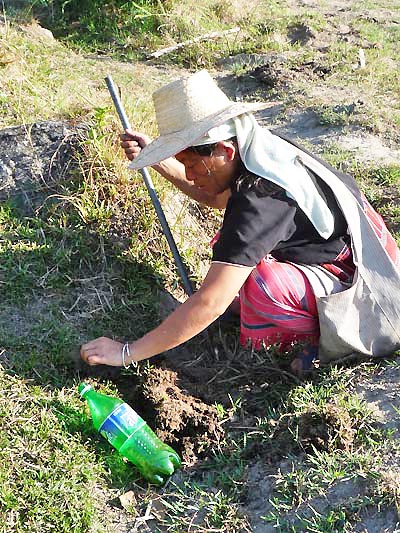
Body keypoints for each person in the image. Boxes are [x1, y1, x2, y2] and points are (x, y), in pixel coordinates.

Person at [80, 69, 400, 375]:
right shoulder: (258, 149)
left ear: (224, 150)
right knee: (233, 258)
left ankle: (326, 342)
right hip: (352, 248)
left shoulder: (262, 197)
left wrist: (126, 353)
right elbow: (218, 198)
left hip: (365, 284)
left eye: (192, 165)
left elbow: (211, 302)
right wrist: (161, 161)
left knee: (261, 285)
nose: (190, 175)